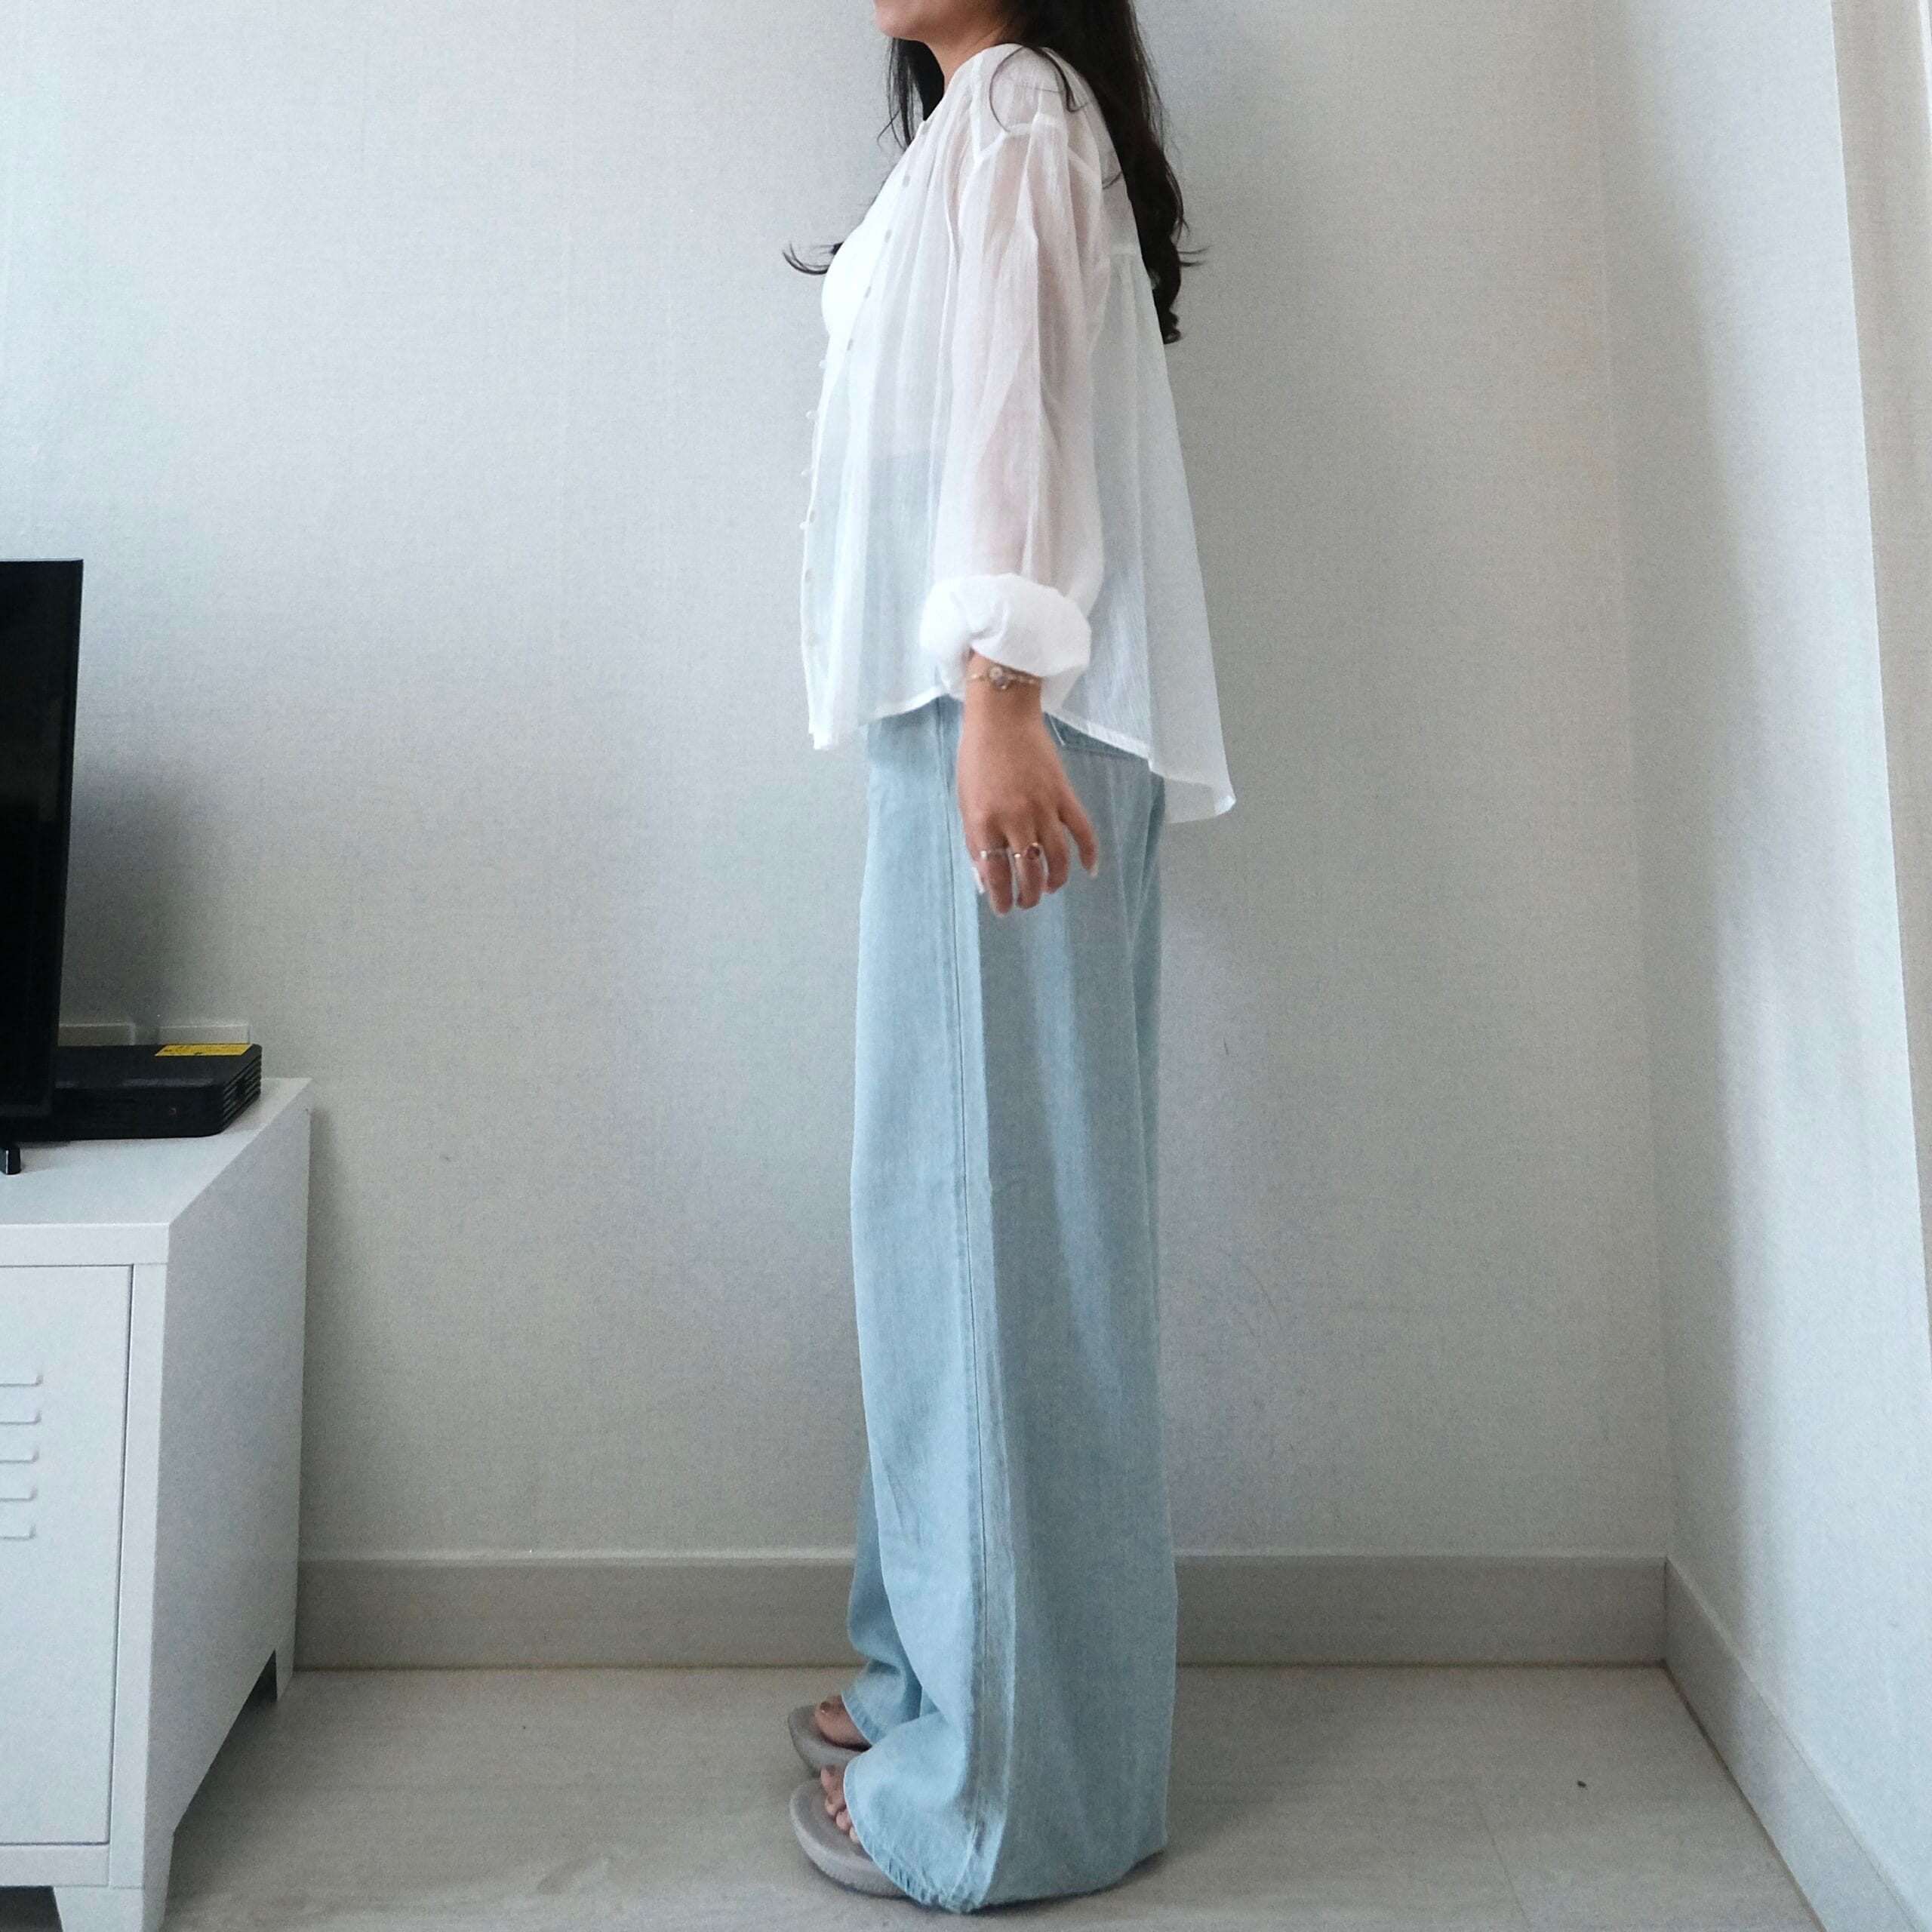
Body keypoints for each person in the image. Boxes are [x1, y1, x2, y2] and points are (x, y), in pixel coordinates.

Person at [783, 0, 1234, 1910]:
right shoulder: (967, 129)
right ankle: (928, 1690)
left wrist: (998, 689)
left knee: (993, 1246)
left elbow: (1015, 412)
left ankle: (998, 1795)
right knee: (943, 1231)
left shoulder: (1021, 111)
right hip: (969, 715)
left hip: (1001, 715)